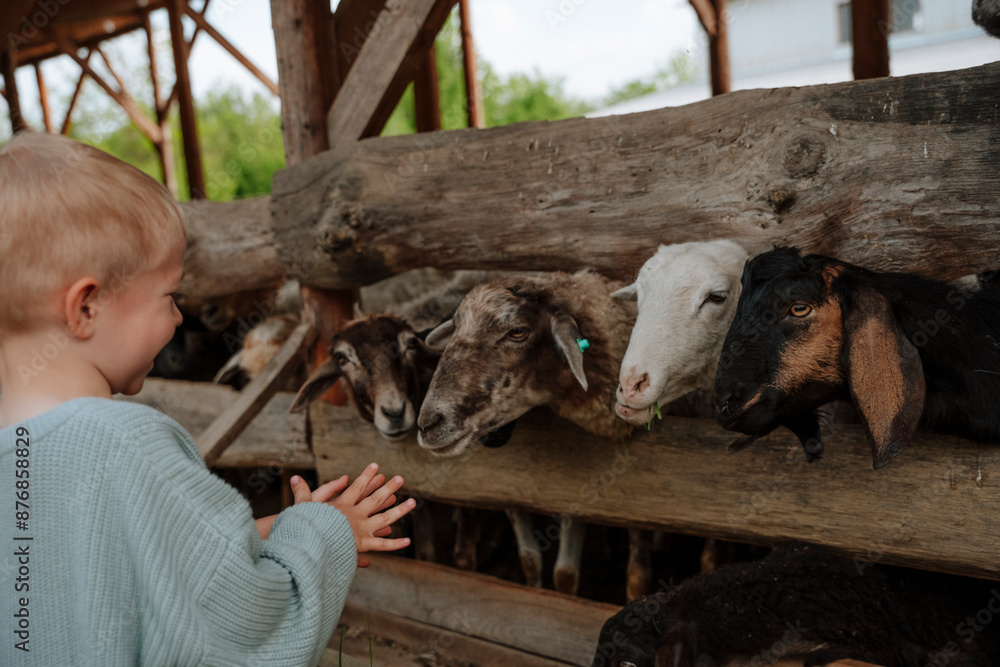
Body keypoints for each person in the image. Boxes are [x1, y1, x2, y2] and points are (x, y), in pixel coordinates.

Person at [0, 132, 415, 665]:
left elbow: (140, 564)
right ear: (85, 308)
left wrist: (274, 528)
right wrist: (323, 533)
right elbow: (241, 617)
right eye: (170, 297)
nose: (179, 320)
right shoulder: (126, 444)